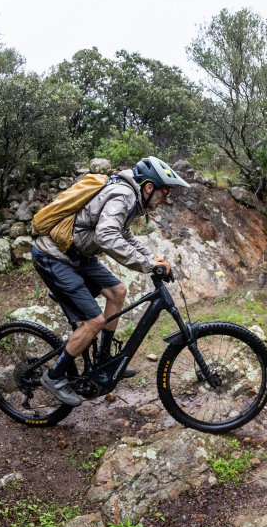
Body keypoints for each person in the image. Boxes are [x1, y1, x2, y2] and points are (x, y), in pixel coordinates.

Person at [31, 156, 189, 406]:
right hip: (54, 256)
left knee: (118, 292)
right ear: (149, 187)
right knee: (95, 320)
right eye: (164, 192)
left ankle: (103, 361)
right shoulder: (123, 195)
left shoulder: (131, 199)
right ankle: (54, 376)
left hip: (78, 255)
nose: (164, 199)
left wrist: (151, 257)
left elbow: (124, 234)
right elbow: (107, 236)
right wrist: (147, 264)